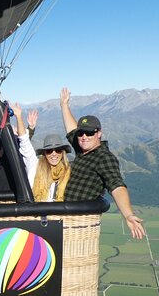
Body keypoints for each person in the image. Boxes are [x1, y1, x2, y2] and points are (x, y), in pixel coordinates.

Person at [60, 87, 146, 239]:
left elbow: (117, 186)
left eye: (90, 133)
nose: (84, 136)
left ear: (99, 133)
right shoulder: (82, 149)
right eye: (81, 133)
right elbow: (72, 129)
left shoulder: (104, 157)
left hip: (79, 222)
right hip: (64, 216)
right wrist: (64, 106)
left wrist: (128, 215)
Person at [0, 106, 38, 192]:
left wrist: (30, 128)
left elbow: (22, 145)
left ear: (3, 148)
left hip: (12, 201)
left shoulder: (11, 159)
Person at [32, 134, 72, 202]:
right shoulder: (36, 168)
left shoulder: (70, 173)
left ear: (63, 153)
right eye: (49, 151)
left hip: (61, 211)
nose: (54, 154)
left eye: (58, 150)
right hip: (40, 210)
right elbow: (25, 147)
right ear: (44, 154)